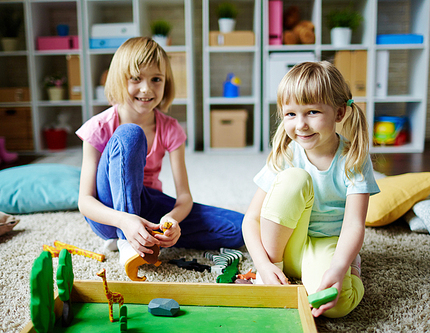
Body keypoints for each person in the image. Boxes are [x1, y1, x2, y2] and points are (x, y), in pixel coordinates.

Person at [76, 37, 244, 268]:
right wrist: (124, 220)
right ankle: (127, 239)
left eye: (156, 79)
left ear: (166, 83)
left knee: (238, 228)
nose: (146, 89)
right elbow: (85, 201)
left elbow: (184, 197)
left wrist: (171, 221)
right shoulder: (98, 127)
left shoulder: (171, 128)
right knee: (130, 135)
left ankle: (147, 235)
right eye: (136, 78)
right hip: (110, 213)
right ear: (119, 79)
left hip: (150, 205)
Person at [242, 61, 379, 318]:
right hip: (284, 247)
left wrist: (339, 268)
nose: (301, 125)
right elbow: (252, 219)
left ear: (339, 114)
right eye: (291, 114)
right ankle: (274, 269)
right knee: (294, 178)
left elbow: (353, 225)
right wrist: (263, 265)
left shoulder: (354, 158)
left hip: (327, 244)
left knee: (335, 306)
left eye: (312, 112)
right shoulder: (286, 154)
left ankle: (353, 268)